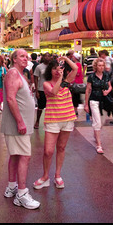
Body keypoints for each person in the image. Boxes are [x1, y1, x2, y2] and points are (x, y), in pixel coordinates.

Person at [1, 49, 40, 210]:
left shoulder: (20, 74)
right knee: (25, 156)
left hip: (21, 125)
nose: (26, 58)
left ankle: (12, 187)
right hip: (18, 125)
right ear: (14, 59)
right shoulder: (13, 73)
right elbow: (10, 98)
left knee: (16, 156)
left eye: (27, 56)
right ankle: (22, 194)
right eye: (22, 56)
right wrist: (20, 122)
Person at [33, 56, 77, 190]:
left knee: (62, 148)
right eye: (54, 69)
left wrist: (65, 58)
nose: (58, 71)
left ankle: (57, 175)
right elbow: (54, 92)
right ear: (50, 71)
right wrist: (61, 78)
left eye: (60, 69)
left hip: (67, 119)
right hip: (53, 120)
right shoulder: (47, 83)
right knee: (48, 151)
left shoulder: (66, 81)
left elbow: (75, 68)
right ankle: (45, 176)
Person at [84, 58, 112, 154]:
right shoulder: (91, 77)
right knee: (98, 122)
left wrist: (107, 91)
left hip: (104, 101)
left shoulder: (106, 75)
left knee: (102, 122)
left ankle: (95, 133)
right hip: (94, 100)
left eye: (102, 65)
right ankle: (99, 145)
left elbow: (110, 86)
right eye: (99, 65)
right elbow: (88, 90)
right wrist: (86, 104)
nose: (101, 67)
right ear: (96, 66)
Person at [33, 52, 51, 129]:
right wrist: (37, 91)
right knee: (40, 107)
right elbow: (36, 78)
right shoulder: (39, 67)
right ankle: (37, 121)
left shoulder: (53, 66)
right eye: (45, 56)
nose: (47, 58)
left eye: (48, 56)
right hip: (41, 89)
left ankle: (48, 122)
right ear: (43, 57)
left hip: (51, 89)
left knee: (50, 107)